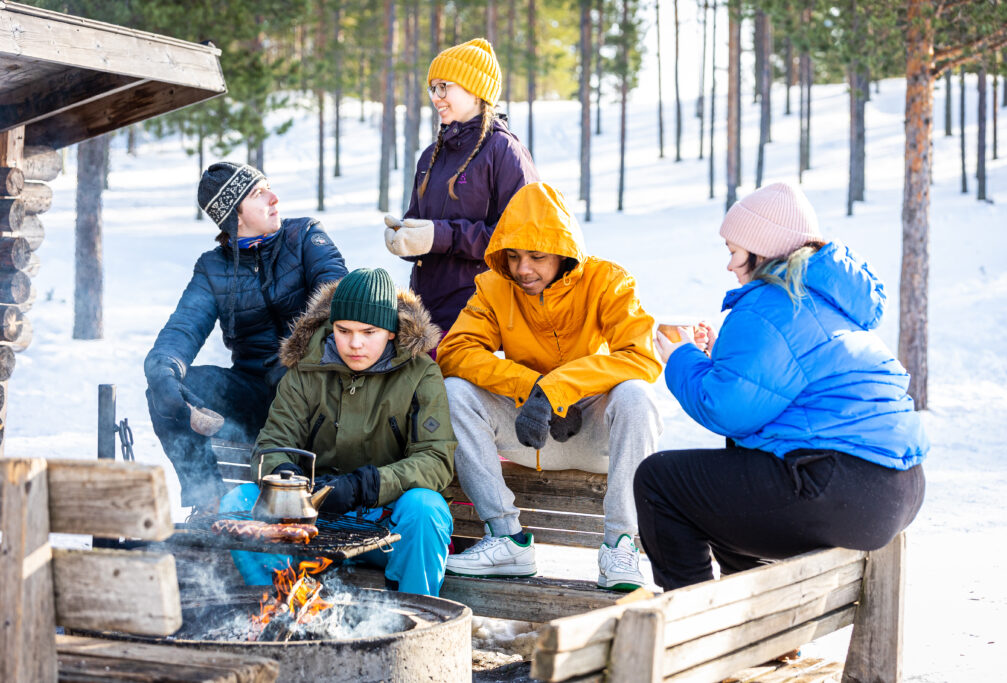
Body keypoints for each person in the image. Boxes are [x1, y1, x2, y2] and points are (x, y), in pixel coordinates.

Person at [636, 182, 928, 591]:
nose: (731, 265)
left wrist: (682, 357)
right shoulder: (822, 300)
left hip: (839, 488)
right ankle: (761, 626)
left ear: (762, 251)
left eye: (734, 251)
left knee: (659, 481)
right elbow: (773, 390)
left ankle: (690, 628)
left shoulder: (770, 304)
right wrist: (718, 357)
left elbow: (724, 408)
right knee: (733, 474)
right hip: (898, 489)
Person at [437, 182, 663, 591]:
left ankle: (621, 545)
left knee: (637, 396)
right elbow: (456, 351)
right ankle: (505, 538)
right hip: (526, 431)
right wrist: (532, 386)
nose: (523, 269)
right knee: (455, 391)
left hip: (591, 431)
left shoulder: (606, 280)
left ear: (564, 252)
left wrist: (559, 389)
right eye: (514, 256)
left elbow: (641, 357)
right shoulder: (493, 286)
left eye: (537, 256)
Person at [224, 268, 456, 596]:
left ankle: (418, 615)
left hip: (384, 524)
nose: (354, 343)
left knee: (426, 507)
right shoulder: (306, 369)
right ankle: (274, 605)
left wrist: (368, 485)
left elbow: (435, 460)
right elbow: (273, 443)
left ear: (391, 331)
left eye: (368, 331)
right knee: (237, 502)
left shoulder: (421, 375)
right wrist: (288, 481)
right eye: (343, 330)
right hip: (310, 521)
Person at [144, 162, 347, 511]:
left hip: (316, 391)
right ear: (234, 217)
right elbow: (183, 327)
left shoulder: (305, 236)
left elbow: (338, 294)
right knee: (168, 388)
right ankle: (210, 500)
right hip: (256, 394)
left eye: (268, 187)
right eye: (258, 193)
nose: (274, 198)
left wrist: (299, 359)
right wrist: (163, 369)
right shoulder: (214, 267)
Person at [383, 37, 539, 340]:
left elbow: (521, 241)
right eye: (433, 88)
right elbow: (424, 227)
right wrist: (405, 237)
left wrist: (439, 236)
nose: (436, 97)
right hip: (426, 315)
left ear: (475, 90)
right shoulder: (432, 156)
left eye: (445, 87)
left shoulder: (503, 150)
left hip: (481, 315)